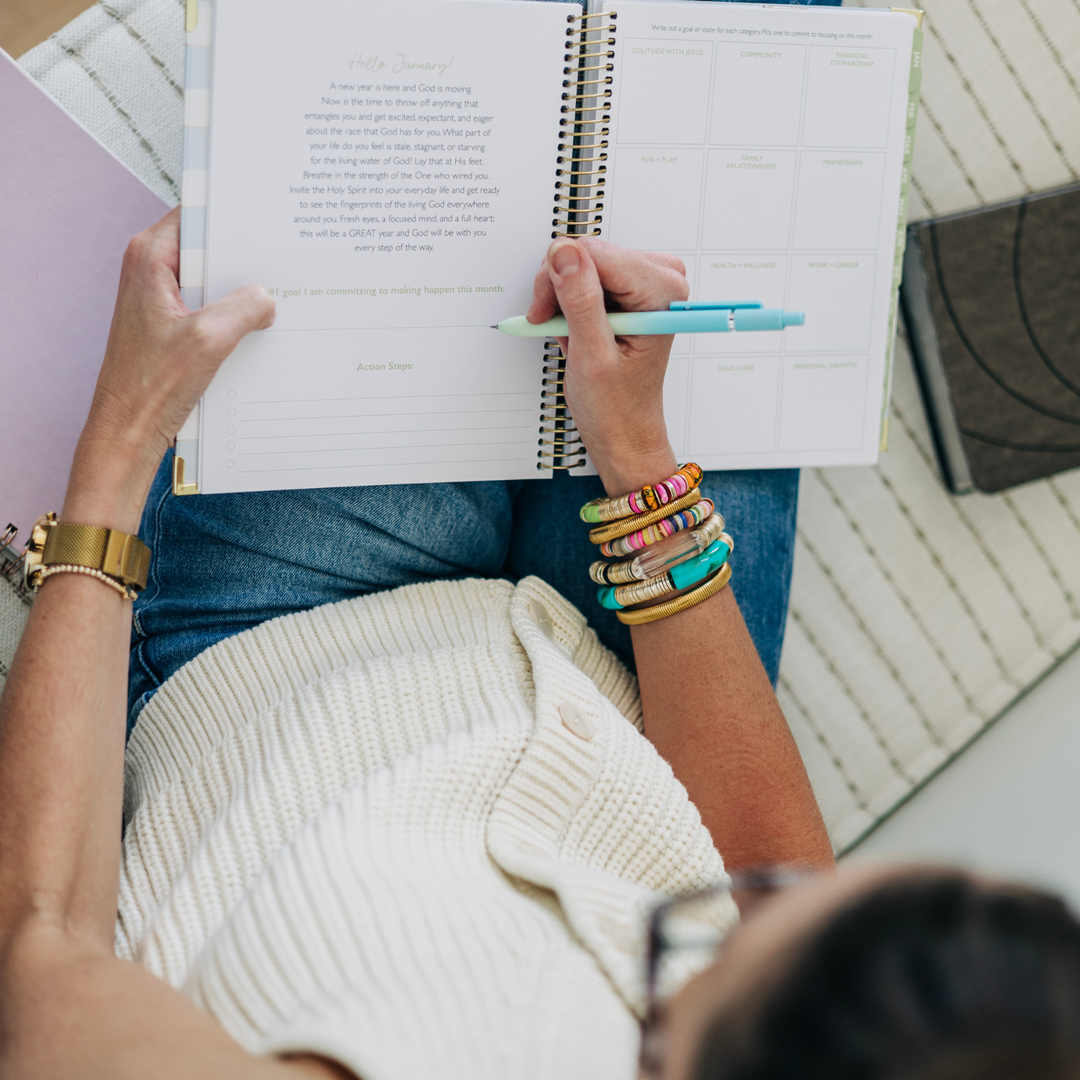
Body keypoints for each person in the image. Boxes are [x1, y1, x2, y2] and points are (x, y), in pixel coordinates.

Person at [2, 211, 1078, 1080]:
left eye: (693, 956)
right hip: (624, 698)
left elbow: (39, 942)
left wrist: (123, 436)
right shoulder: (814, 1014)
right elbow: (762, 872)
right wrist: (645, 470)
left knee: (413, 118)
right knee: (702, 146)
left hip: (285, 643)